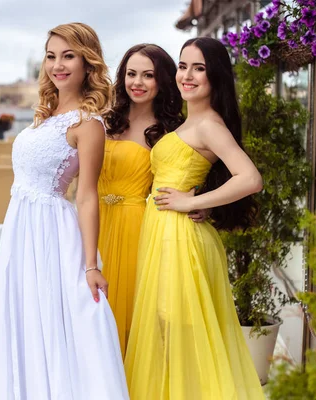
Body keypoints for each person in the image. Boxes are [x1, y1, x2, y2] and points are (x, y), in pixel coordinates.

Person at [0, 22, 128, 400]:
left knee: (62, 321)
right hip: (21, 231)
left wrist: (90, 266)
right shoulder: (45, 113)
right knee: (25, 322)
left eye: (68, 56)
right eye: (51, 56)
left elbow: (86, 195)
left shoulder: (88, 124)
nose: (57, 65)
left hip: (51, 234)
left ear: (87, 63)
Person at [124, 37, 265, 399]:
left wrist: (193, 202)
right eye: (183, 66)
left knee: (179, 333)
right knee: (168, 335)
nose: (187, 75)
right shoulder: (193, 121)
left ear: (215, 76)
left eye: (198, 68)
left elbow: (250, 179)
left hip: (179, 238)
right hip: (164, 233)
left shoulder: (209, 125)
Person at [99, 43, 207, 357]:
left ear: (162, 80)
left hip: (137, 227)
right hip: (92, 223)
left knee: (133, 315)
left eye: (148, 75)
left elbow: (196, 170)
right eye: (131, 74)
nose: (138, 82)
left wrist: (200, 200)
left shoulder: (170, 130)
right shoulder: (104, 120)